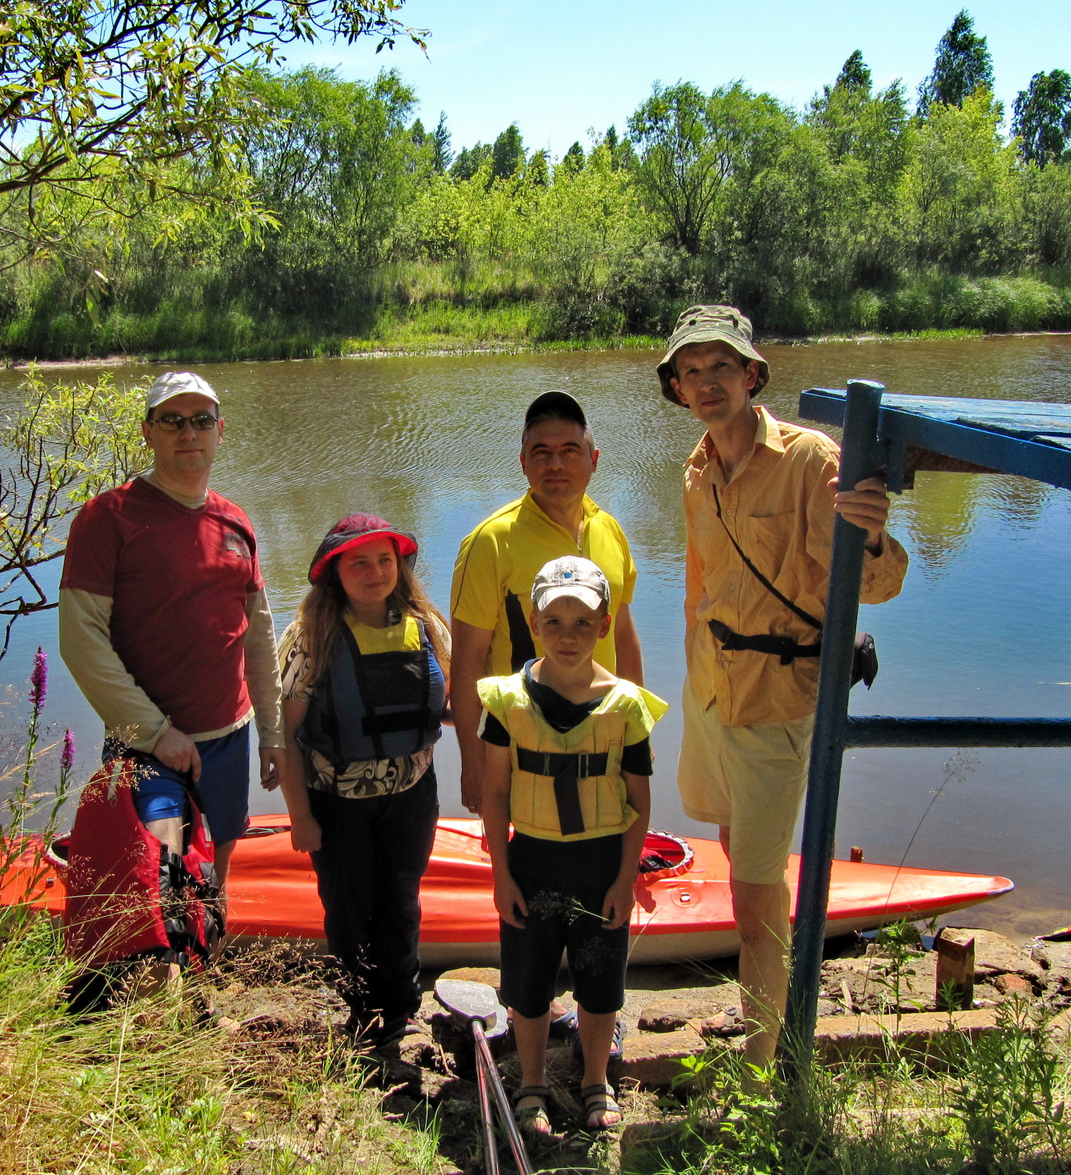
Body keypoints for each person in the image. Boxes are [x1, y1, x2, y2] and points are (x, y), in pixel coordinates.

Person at [659, 305, 908, 1065]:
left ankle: (767, 1061)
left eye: (720, 367)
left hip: (777, 701)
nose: (706, 383)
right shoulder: (697, 470)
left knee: (757, 896)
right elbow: (701, 588)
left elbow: (879, 582)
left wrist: (869, 533)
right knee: (737, 850)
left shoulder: (812, 460)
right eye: (691, 372)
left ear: (752, 375)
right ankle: (766, 1020)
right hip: (711, 693)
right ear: (677, 387)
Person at [59, 369, 283, 989]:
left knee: (215, 872)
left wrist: (273, 732)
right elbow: (81, 640)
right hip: (148, 748)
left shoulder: (236, 523)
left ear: (220, 431)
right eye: (173, 420)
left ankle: (207, 975)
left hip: (229, 739)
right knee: (158, 882)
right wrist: (155, 733)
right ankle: (158, 1014)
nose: (189, 433)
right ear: (148, 433)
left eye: (201, 420)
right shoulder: (109, 518)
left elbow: (259, 638)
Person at [478, 556, 666, 1133]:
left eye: (582, 623)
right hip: (532, 862)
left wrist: (625, 880)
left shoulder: (626, 707)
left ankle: (594, 1080)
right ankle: (532, 1081)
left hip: (599, 862)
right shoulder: (507, 702)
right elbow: (495, 793)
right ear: (534, 625)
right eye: (554, 621)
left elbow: (639, 804)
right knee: (529, 983)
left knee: (599, 980)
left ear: (605, 627)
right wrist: (502, 876)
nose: (567, 635)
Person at [275, 514, 451, 1048]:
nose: (375, 572)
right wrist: (300, 817)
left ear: (400, 565)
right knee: (349, 908)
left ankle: (401, 1008)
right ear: (335, 571)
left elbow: (443, 708)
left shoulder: (428, 626)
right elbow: (284, 736)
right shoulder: (311, 637)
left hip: (411, 795)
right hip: (337, 801)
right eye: (359, 562)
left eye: (384, 560)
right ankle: (360, 1009)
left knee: (401, 899)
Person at [450, 391, 644, 816]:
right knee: (524, 872)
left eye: (569, 451)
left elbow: (625, 635)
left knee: (604, 862)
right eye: (542, 452)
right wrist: (472, 763)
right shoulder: (490, 542)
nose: (556, 464)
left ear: (594, 460)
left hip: (603, 740)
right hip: (523, 751)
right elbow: (467, 660)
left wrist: (638, 735)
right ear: (523, 463)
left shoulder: (610, 530)